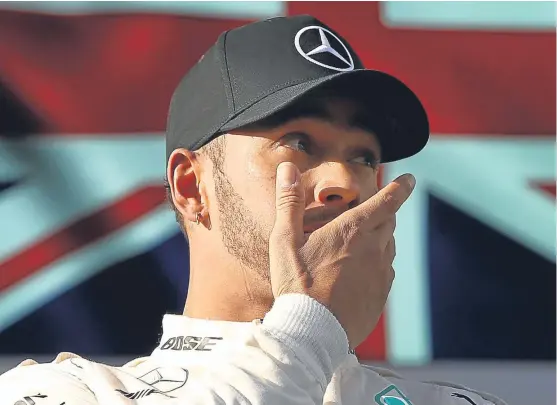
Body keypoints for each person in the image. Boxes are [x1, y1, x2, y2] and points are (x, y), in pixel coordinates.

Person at [0, 15, 506, 405]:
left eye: (364, 157)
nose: (346, 185)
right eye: (300, 142)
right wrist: (308, 332)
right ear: (192, 185)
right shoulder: (64, 391)